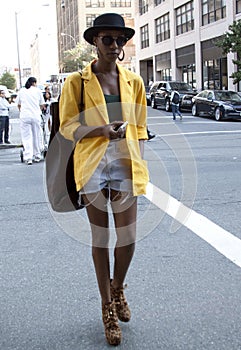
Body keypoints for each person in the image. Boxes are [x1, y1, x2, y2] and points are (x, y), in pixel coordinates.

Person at [59, 13, 149, 346]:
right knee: (102, 240)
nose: (114, 45)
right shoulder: (77, 82)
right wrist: (99, 130)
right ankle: (107, 308)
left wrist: (139, 165)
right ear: (95, 41)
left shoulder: (134, 82)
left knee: (127, 239)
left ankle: (118, 287)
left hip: (125, 164)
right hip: (93, 164)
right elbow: (68, 127)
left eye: (120, 40)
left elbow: (139, 128)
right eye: (107, 39)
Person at [15, 77, 45, 165]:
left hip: (25, 116)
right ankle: (37, 155)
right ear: (34, 83)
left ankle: (28, 157)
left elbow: (18, 104)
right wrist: (38, 110)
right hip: (35, 116)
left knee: (26, 137)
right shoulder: (38, 91)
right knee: (36, 135)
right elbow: (42, 104)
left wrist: (22, 111)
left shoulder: (21, 91)